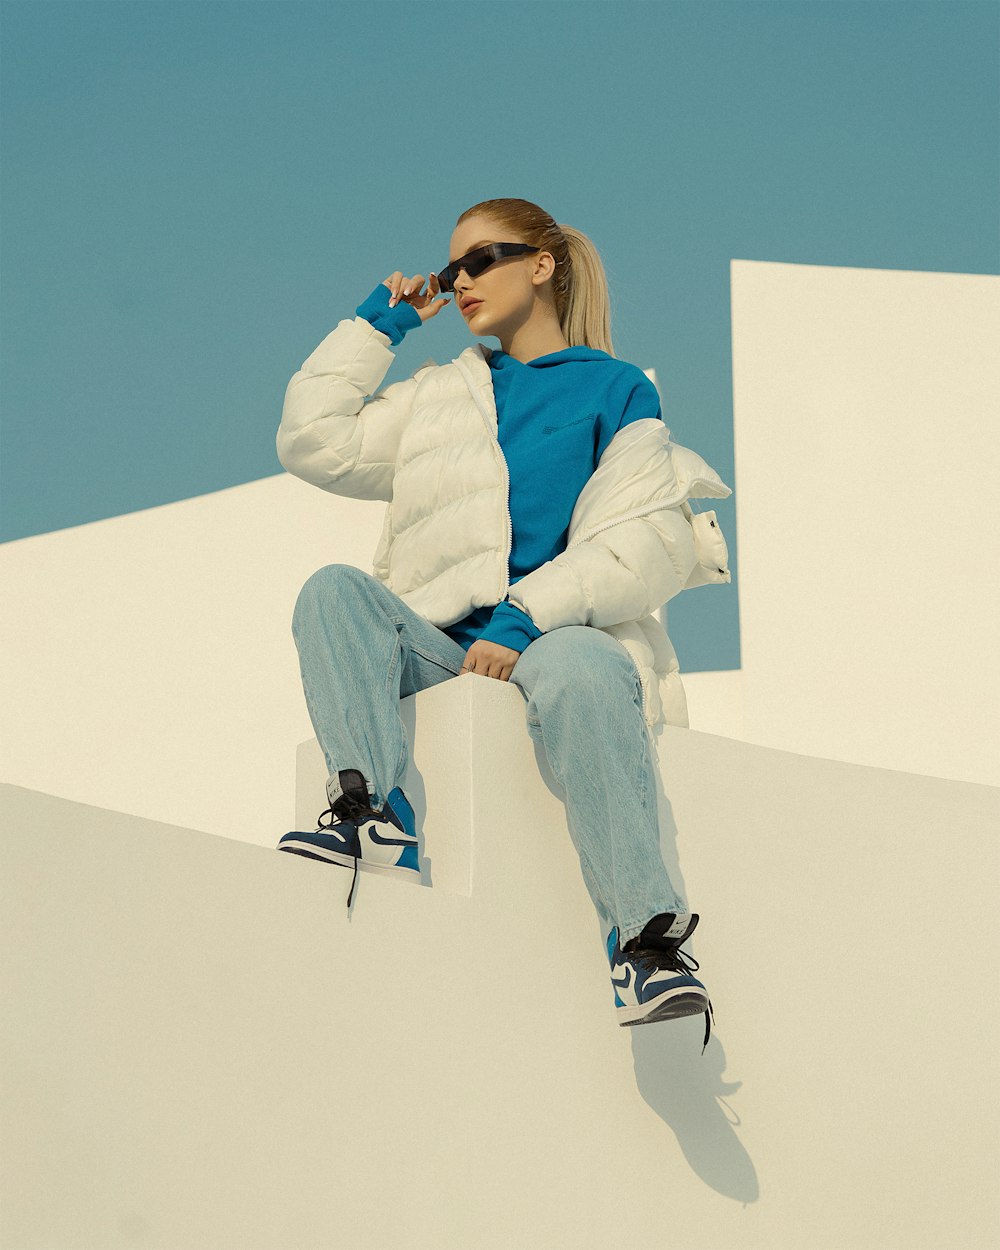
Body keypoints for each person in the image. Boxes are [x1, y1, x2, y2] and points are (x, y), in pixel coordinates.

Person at [275, 198, 732, 1053]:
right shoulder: (443, 396)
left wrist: (524, 619)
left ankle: (645, 943)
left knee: (588, 670)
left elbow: (639, 540)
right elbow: (312, 442)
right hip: (445, 644)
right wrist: (383, 325)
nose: (461, 283)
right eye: (451, 271)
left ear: (543, 265)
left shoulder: (617, 388)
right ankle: (371, 810)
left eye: (481, 260)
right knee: (332, 591)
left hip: (557, 634)